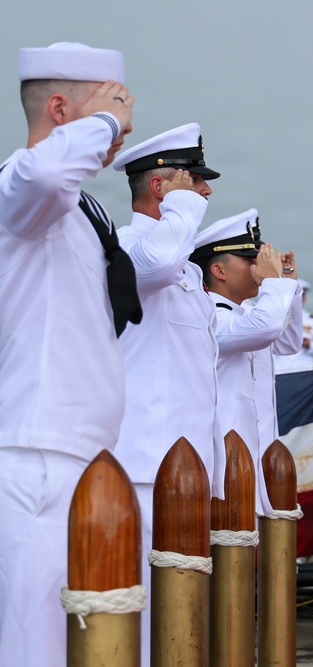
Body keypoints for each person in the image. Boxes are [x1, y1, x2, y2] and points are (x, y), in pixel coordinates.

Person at [0, 42, 137, 665]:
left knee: (86, 640)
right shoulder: (23, 190)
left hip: (83, 452)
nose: (117, 137)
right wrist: (101, 122)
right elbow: (47, 173)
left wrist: (101, 118)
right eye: (109, 119)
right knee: (36, 642)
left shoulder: (79, 210)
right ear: (60, 109)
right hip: (39, 454)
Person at [110, 122, 221, 667]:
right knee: (149, 611)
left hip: (184, 469)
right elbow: (154, 263)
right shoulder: (129, 247)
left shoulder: (186, 273)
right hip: (144, 465)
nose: (205, 193)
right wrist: (180, 210)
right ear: (161, 188)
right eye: (194, 180)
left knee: (181, 615)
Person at [191, 210, 302, 515]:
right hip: (223, 466)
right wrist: (273, 285)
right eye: (249, 260)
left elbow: (287, 342)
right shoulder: (207, 316)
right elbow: (265, 328)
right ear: (219, 270)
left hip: (254, 460)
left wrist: (286, 287)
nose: (258, 267)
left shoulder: (247, 314)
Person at [274, 278, 313, 373]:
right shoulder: (275, 318)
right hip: (280, 371)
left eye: (299, 295)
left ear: (304, 298)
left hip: (305, 371)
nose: (295, 298)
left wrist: (309, 344)